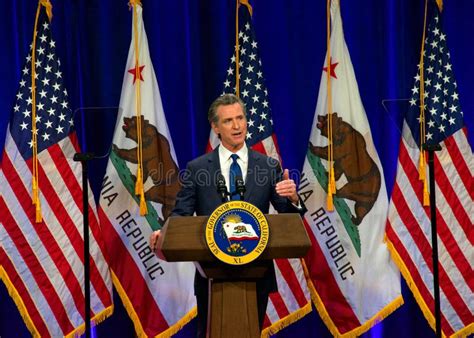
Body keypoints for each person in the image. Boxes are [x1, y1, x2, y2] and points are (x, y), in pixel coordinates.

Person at [150, 94, 306, 337]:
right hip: (212, 271)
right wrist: (164, 233)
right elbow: (180, 215)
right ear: (215, 127)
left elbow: (289, 219)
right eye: (229, 120)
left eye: (241, 118)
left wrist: (294, 199)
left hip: (257, 270)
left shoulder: (268, 166)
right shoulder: (197, 169)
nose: (237, 126)